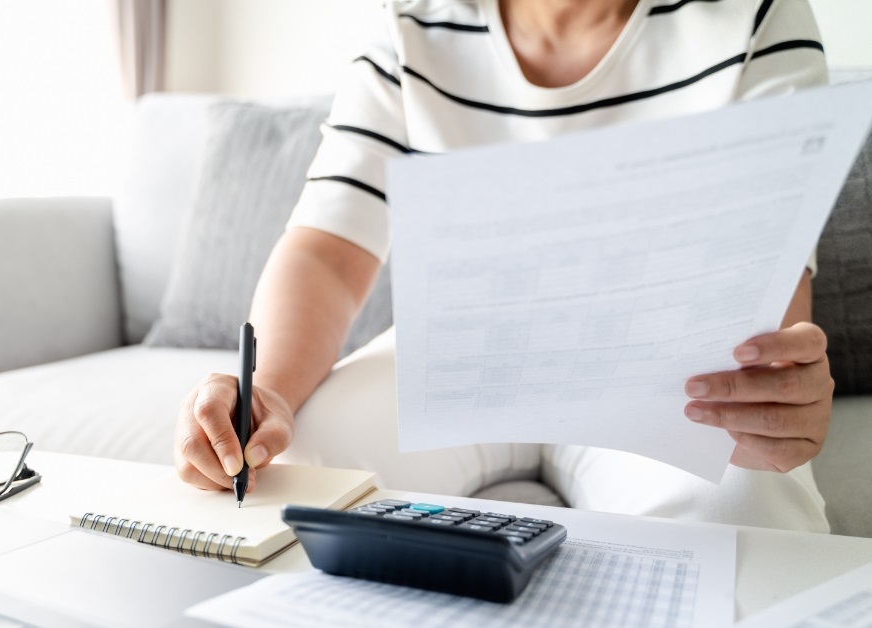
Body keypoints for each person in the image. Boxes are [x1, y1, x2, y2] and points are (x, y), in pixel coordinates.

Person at [174, 0, 834, 532]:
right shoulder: (410, 25)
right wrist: (270, 394)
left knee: (741, 512)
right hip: (452, 359)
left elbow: (767, 267)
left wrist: (770, 395)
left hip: (662, 379)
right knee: (287, 475)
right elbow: (327, 247)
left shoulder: (757, 15)